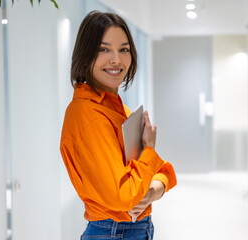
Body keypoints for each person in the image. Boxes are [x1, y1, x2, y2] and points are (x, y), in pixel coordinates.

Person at [60, 10, 177, 240]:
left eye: (124, 49)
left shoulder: (117, 109)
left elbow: (163, 171)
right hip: (113, 232)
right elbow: (124, 196)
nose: (116, 59)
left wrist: (151, 191)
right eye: (104, 49)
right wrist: (149, 150)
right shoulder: (89, 114)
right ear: (86, 54)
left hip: (128, 229)